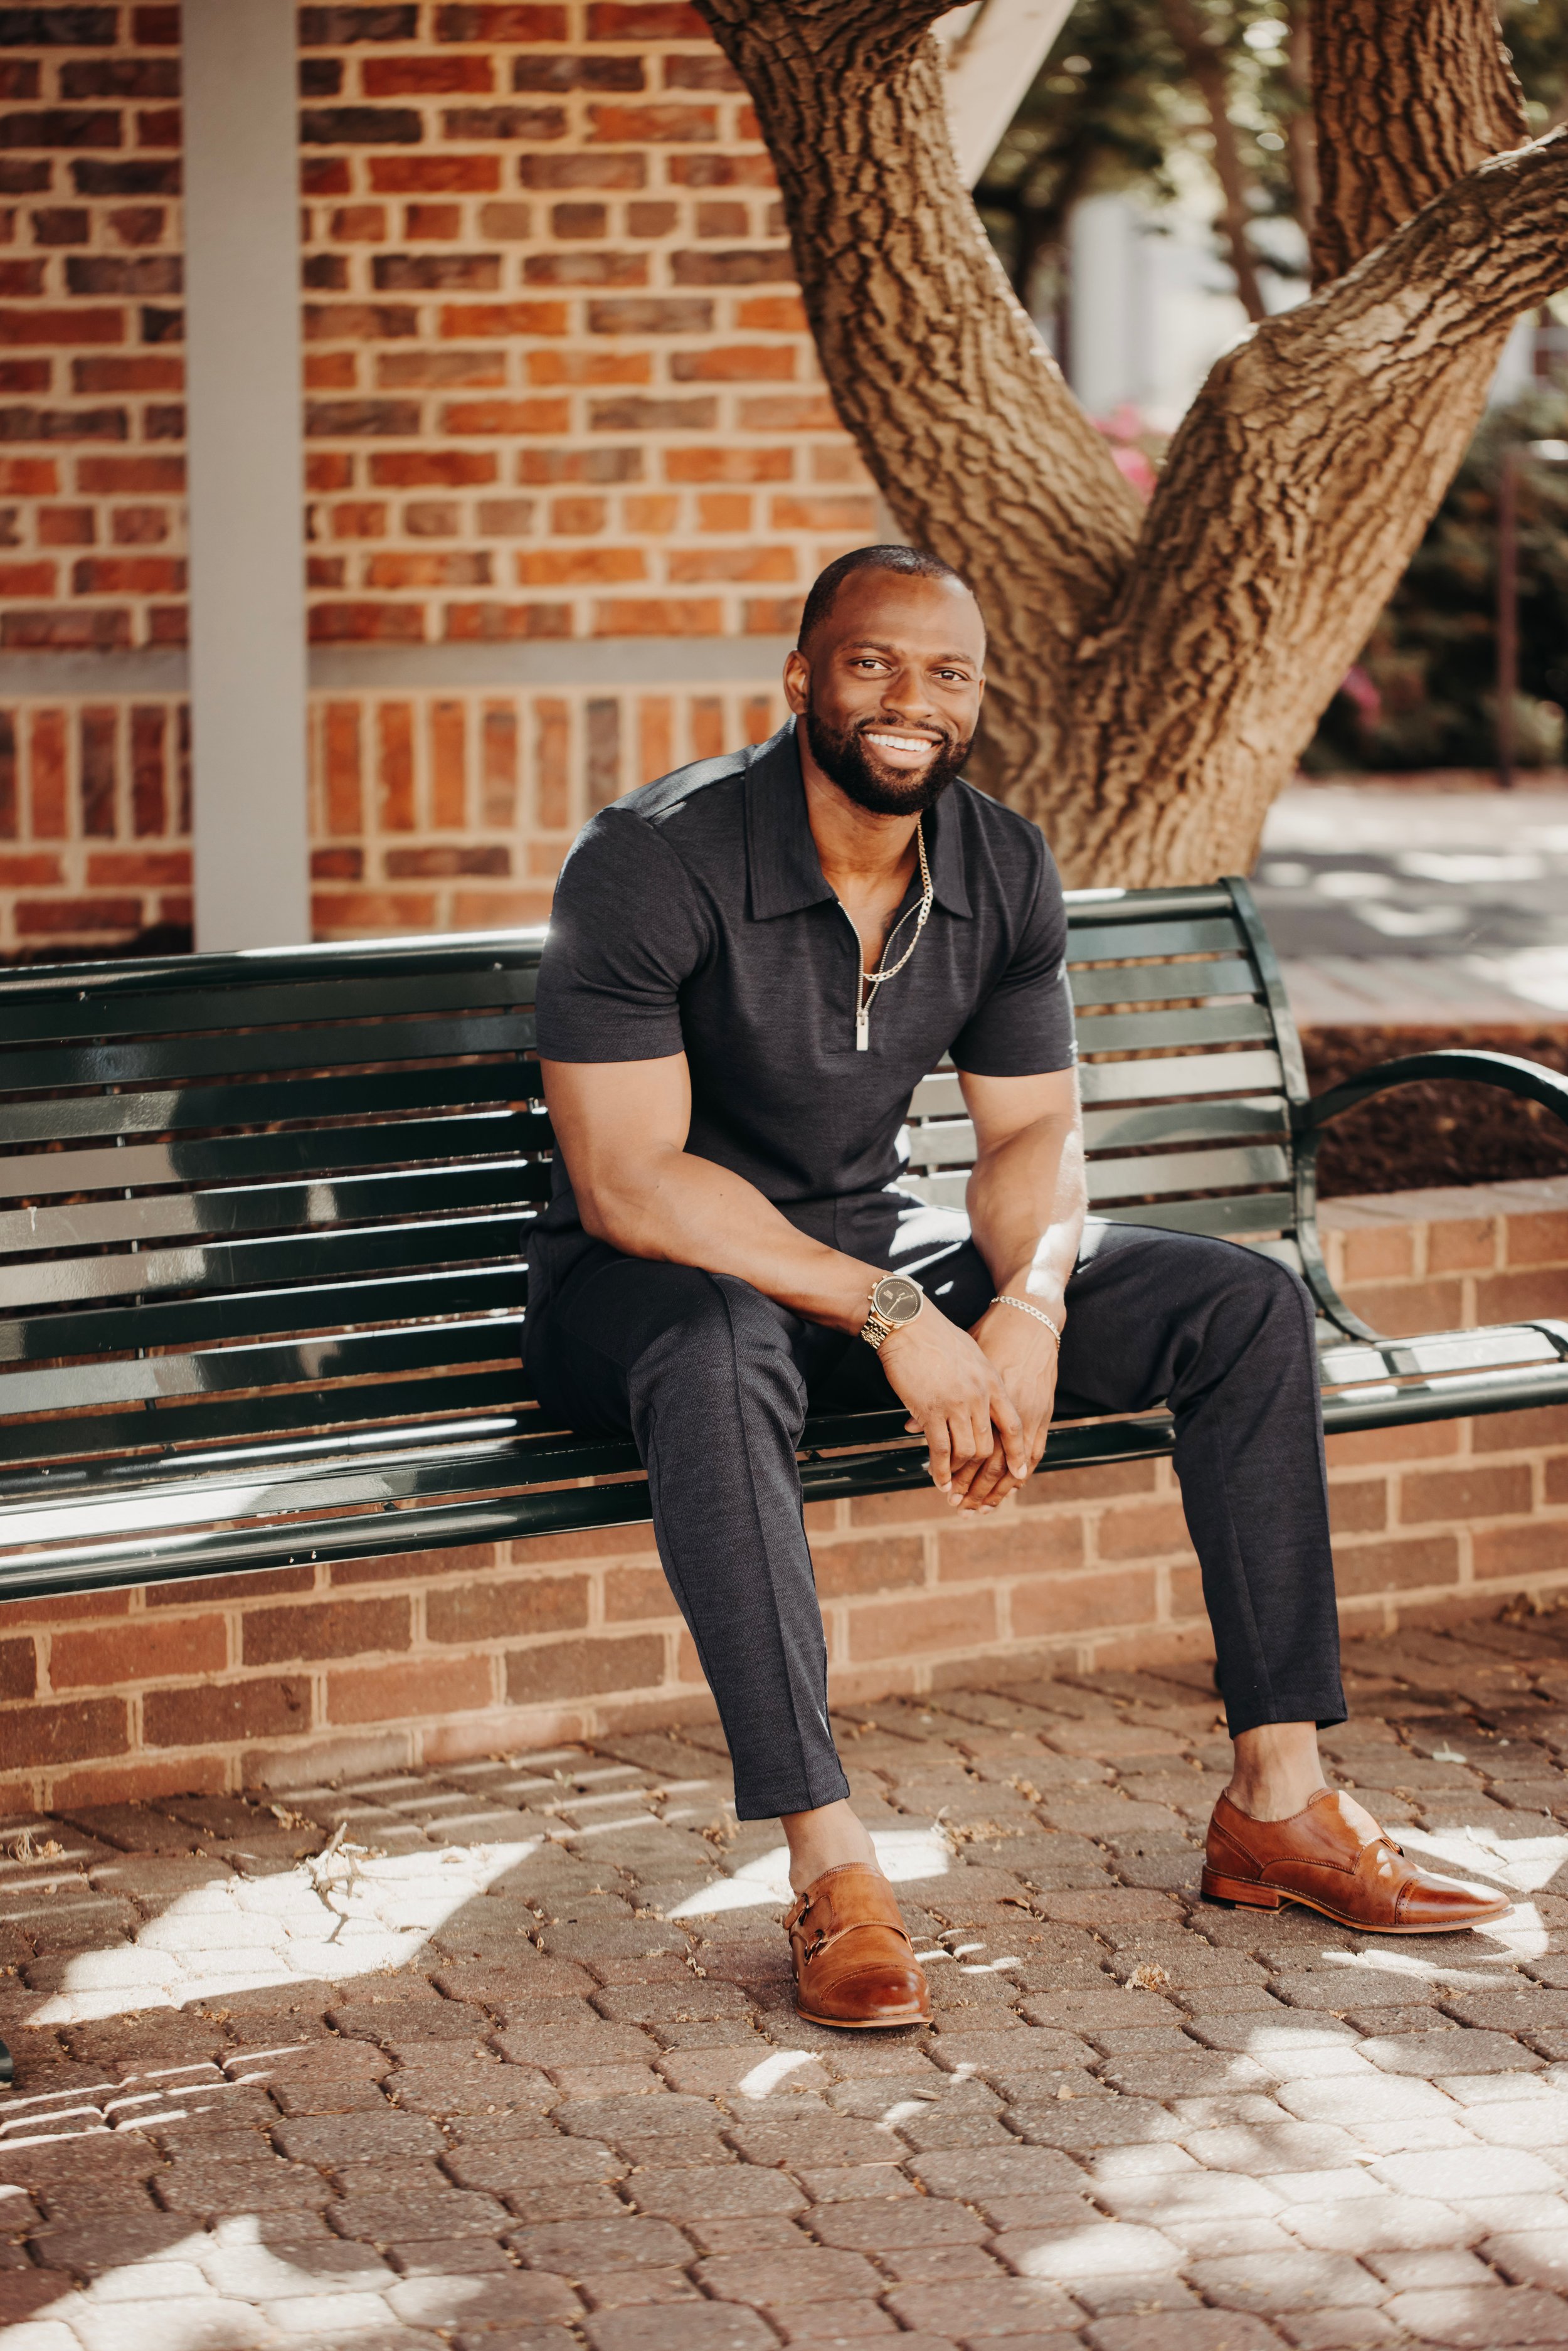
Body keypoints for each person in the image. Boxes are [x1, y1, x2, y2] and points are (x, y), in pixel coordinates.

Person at [526, 544, 1509, 2030]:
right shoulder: (653, 860)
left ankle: (1278, 1802)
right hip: (644, 1288)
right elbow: (631, 1180)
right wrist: (899, 1312)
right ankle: (830, 1860)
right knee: (719, 1349)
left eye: (946, 672)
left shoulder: (996, 865)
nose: (908, 699)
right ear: (800, 680)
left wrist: (1030, 1300)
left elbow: (1035, 1133)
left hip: (865, 1249)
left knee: (1237, 1306)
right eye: (869, 663)